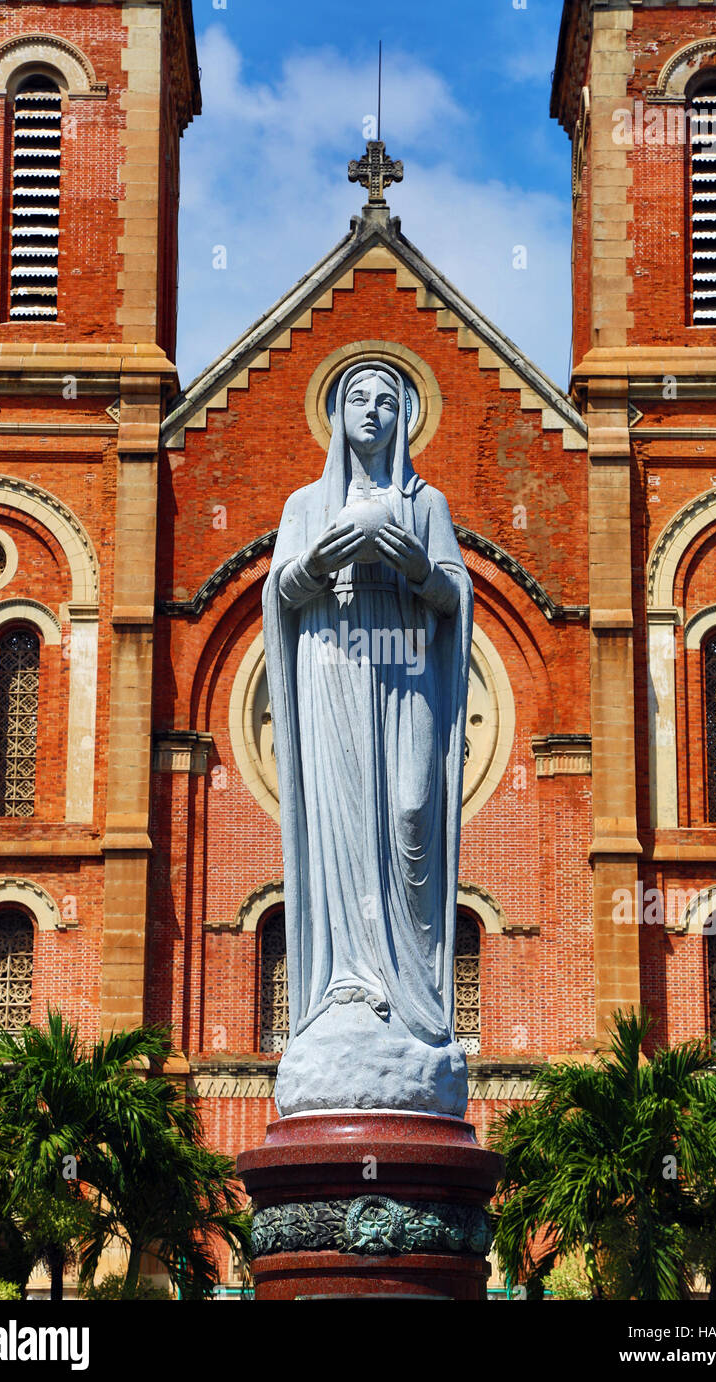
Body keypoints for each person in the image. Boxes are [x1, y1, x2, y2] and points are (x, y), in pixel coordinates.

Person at [263, 360, 473, 1114]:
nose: (375, 411)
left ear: (406, 418)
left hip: (408, 667)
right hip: (333, 671)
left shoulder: (427, 503)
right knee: (344, 824)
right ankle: (348, 984)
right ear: (338, 414)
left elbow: (454, 594)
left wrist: (416, 565)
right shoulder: (304, 504)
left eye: (390, 400)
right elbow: (281, 591)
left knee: (413, 811)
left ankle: (413, 993)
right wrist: (321, 559)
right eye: (360, 398)